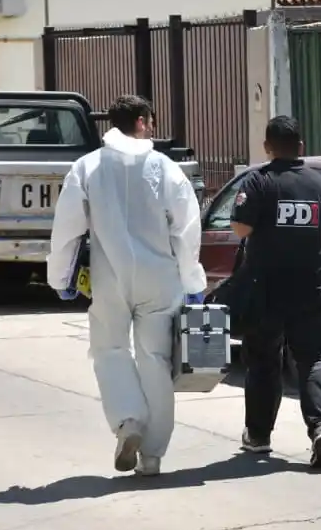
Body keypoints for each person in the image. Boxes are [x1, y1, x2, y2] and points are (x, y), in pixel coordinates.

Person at [47, 95, 206, 478]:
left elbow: (67, 227)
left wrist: (61, 277)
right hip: (160, 278)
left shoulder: (87, 167)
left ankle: (128, 421)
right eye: (149, 121)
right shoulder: (165, 168)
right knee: (155, 360)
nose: (152, 127)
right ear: (140, 121)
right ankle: (152, 456)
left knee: (110, 351)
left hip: (110, 277)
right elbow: (186, 227)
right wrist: (193, 280)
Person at [230, 115, 321, 470]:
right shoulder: (319, 183)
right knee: (315, 359)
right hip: (311, 287)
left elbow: (240, 227)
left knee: (263, 361)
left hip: (266, 291)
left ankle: (259, 436)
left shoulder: (258, 181)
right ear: (301, 147)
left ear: (267, 148)